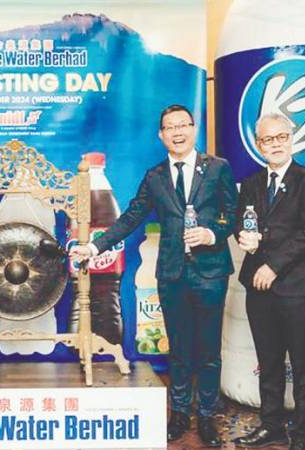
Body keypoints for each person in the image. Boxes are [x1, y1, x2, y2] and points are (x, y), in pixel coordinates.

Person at [70, 104, 237, 447]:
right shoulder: (155, 176)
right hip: (172, 273)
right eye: (169, 127)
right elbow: (130, 217)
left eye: (183, 125)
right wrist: (93, 247)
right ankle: (179, 415)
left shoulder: (218, 168)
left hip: (210, 272)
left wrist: (212, 234)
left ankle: (206, 417)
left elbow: (232, 215)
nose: (177, 132)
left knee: (208, 350)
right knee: (178, 349)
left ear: (193, 129)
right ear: (161, 135)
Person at [233, 113, 305, 450]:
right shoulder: (251, 183)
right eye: (267, 140)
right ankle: (271, 426)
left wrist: (272, 265)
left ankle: (304, 437)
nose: (274, 144)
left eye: (280, 137)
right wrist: (243, 237)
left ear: (291, 138)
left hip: (296, 287)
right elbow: (240, 223)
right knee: (268, 361)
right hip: (257, 288)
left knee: (303, 364)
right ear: (258, 145)